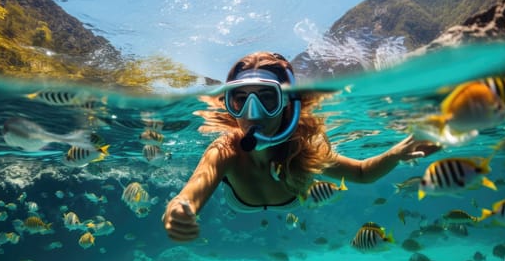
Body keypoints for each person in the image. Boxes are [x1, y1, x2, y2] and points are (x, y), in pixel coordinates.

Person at [162, 52, 440, 242]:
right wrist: (178, 209)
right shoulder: (226, 149)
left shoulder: (302, 147)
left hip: (291, 203)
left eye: (266, 99)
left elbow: (362, 173)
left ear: (288, 103)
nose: (252, 112)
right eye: (240, 100)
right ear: (229, 104)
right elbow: (190, 193)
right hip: (240, 205)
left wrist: (397, 152)